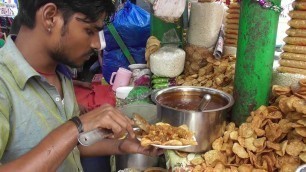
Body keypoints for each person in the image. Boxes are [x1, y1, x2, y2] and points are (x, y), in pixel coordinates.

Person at [0, 0, 162, 171]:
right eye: (89, 31)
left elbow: (70, 147)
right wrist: (76, 126)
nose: (98, 45)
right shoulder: (4, 82)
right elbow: (71, 134)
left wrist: (120, 146)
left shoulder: (60, 74)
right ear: (50, 17)